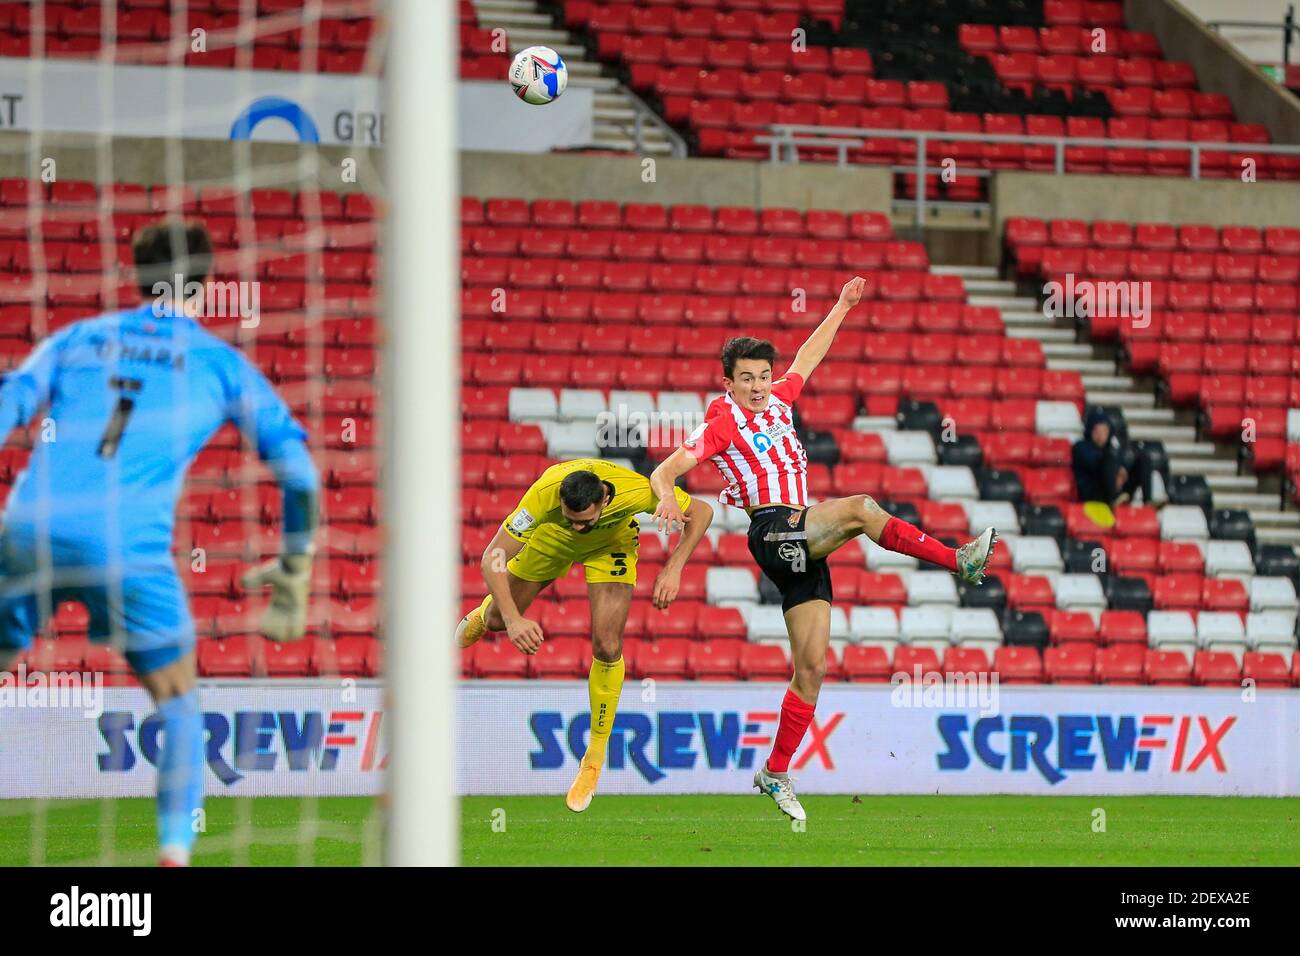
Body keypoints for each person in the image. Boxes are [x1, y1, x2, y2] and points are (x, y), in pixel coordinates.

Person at [0, 221, 319, 866]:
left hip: (28, 527)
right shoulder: (222, 365)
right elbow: (302, 476)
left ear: (135, 276)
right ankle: (174, 852)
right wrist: (295, 562)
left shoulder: (79, 337)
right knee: (177, 699)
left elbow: (10, 401)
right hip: (127, 546)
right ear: (205, 285)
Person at [648, 276, 996, 822]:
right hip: (773, 531)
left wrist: (841, 306)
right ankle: (959, 561)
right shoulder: (721, 422)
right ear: (728, 383)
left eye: (764, 375)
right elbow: (665, 469)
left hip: (802, 542)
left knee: (811, 669)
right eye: (747, 379)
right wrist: (667, 498)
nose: (759, 386)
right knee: (859, 507)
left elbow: (810, 354)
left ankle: (775, 772)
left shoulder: (782, 398)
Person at [456, 458, 713, 812]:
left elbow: (701, 511)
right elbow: (492, 557)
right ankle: (486, 614)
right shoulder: (544, 496)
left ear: (605, 501)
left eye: (584, 521)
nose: (578, 527)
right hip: (551, 541)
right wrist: (515, 621)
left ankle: (593, 758)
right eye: (571, 518)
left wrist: (674, 568)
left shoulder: (636, 493)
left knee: (608, 646)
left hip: (612, 546)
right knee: (501, 619)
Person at [1072, 409, 1152, 507]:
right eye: (1098, 430)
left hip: (1117, 487)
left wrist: (1121, 471)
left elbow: (1121, 464)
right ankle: (1114, 498)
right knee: (1108, 458)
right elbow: (1094, 462)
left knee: (1144, 459)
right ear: (1090, 430)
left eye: (1105, 430)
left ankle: (1148, 502)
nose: (1102, 434)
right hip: (1095, 494)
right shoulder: (1080, 446)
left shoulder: (1112, 448)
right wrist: (1116, 470)